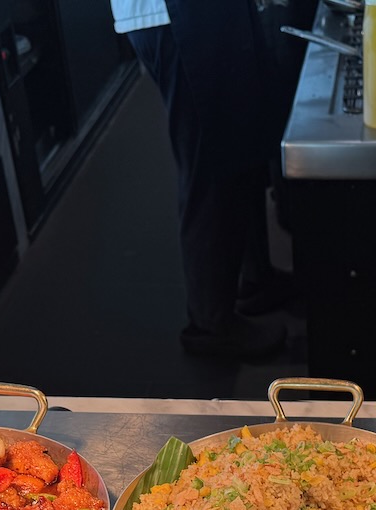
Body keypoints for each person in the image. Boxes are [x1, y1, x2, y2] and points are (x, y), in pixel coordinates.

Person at [111, 0, 296, 361]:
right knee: (208, 166)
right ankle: (210, 325)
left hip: (210, 14)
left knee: (242, 140)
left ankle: (256, 279)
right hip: (176, 17)